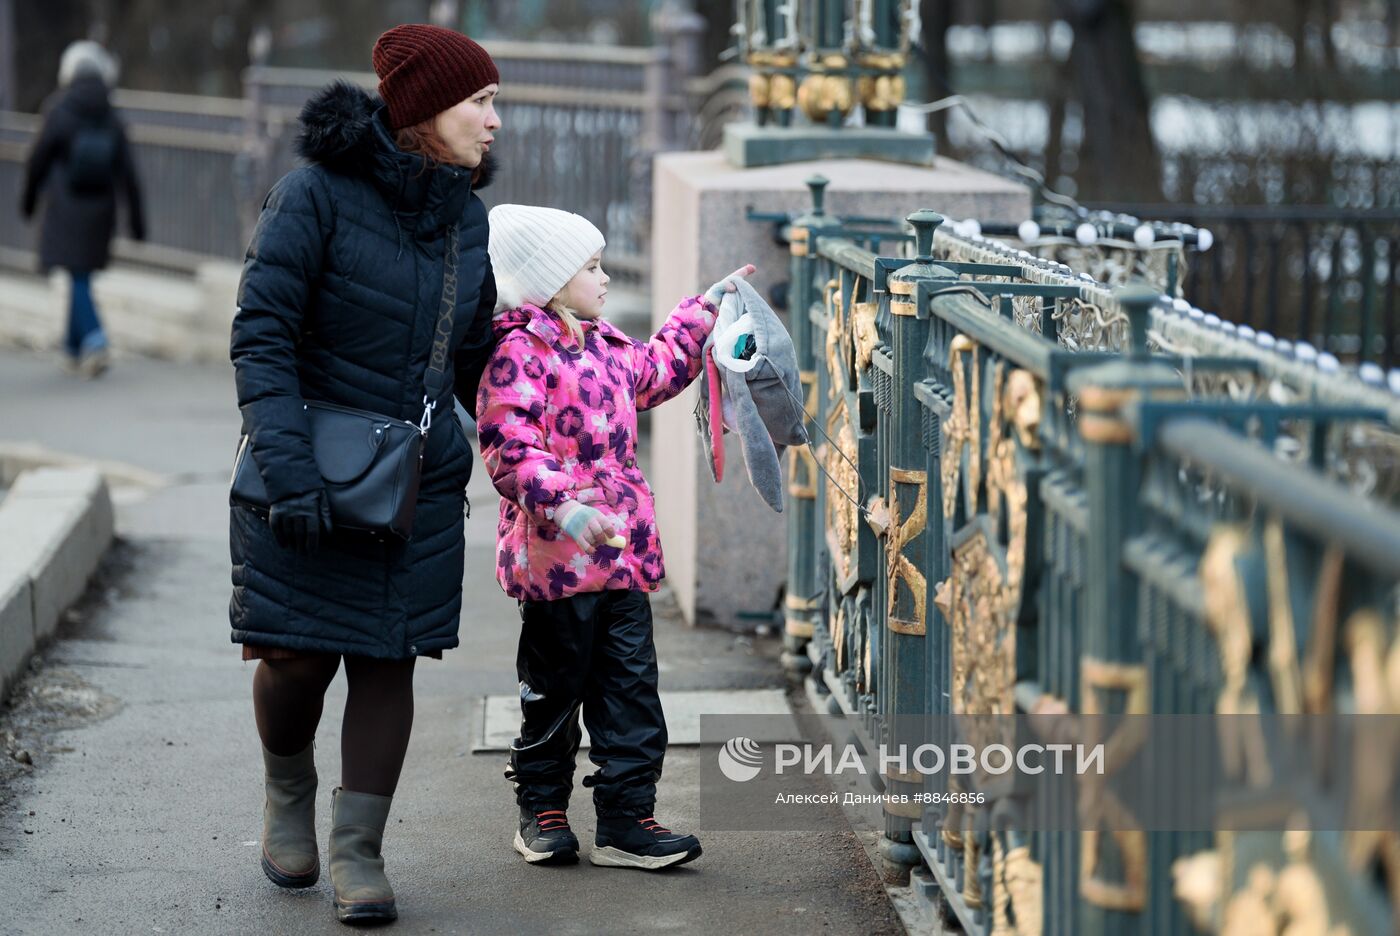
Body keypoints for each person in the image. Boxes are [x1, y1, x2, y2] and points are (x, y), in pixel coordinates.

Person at [229, 24, 499, 925]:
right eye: (481, 102)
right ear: (424, 110)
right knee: (296, 657)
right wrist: (289, 469)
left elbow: (473, 359)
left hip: (416, 480)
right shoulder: (311, 198)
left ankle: (358, 852)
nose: (496, 121)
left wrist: (549, 435)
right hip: (303, 472)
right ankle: (287, 790)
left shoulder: (465, 216)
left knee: (389, 662)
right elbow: (261, 339)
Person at [477, 202, 754, 870]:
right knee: (553, 693)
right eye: (591, 267)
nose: (604, 279)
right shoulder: (518, 353)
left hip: (621, 559)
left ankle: (628, 819)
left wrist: (705, 311)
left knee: (631, 694)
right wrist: (566, 510)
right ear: (548, 281)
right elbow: (508, 447)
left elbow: (657, 369)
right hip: (556, 563)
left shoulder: (605, 343)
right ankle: (541, 812)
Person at [19, 40, 145, 378]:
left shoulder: (59, 110)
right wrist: (137, 221)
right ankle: (73, 348)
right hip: (101, 210)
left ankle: (95, 338)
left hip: (66, 207)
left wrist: (29, 200)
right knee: (81, 273)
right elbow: (129, 172)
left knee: (76, 276)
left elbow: (37, 160)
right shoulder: (111, 114)